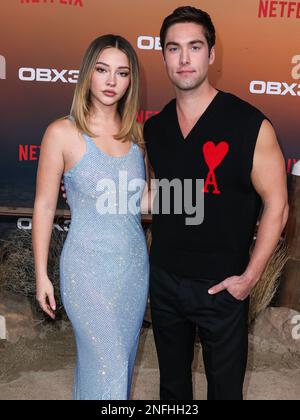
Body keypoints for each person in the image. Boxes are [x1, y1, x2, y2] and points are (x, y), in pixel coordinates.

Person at [143, 6, 289, 400]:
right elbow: (164, 197)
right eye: (174, 49)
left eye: (195, 46)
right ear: (164, 57)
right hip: (166, 282)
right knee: (172, 389)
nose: (184, 58)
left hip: (224, 287)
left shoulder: (249, 125)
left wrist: (250, 278)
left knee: (225, 392)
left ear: (211, 54)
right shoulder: (154, 128)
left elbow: (278, 204)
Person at [32, 35, 149, 400]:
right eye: (102, 70)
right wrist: (41, 275)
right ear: (88, 74)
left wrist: (199, 190)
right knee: (109, 365)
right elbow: (44, 207)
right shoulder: (62, 134)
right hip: (86, 272)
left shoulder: (137, 137)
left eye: (122, 72)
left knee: (118, 367)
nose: (111, 81)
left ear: (131, 81)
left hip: (132, 270)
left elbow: (144, 203)